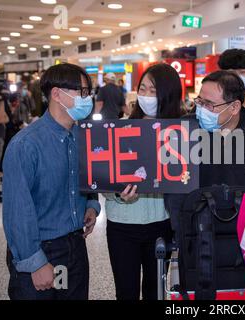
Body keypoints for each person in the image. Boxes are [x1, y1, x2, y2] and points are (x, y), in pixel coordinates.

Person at [2, 63, 101, 300]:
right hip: (42, 249)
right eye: (83, 92)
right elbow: (18, 211)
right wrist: (35, 263)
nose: (88, 99)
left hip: (75, 247)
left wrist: (90, 205)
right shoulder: (26, 145)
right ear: (57, 94)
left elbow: (88, 178)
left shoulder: (81, 137)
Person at [165, 70, 245, 227]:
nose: (202, 109)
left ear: (234, 107)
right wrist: (182, 232)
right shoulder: (186, 129)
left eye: (209, 104)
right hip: (197, 232)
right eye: (200, 101)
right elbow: (174, 191)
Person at [105, 64, 179, 300]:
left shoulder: (180, 133)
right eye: (143, 89)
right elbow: (103, 178)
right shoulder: (119, 129)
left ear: (167, 94)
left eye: (153, 90)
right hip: (122, 225)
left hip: (161, 224)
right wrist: (118, 193)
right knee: (125, 291)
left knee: (155, 292)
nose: (146, 96)